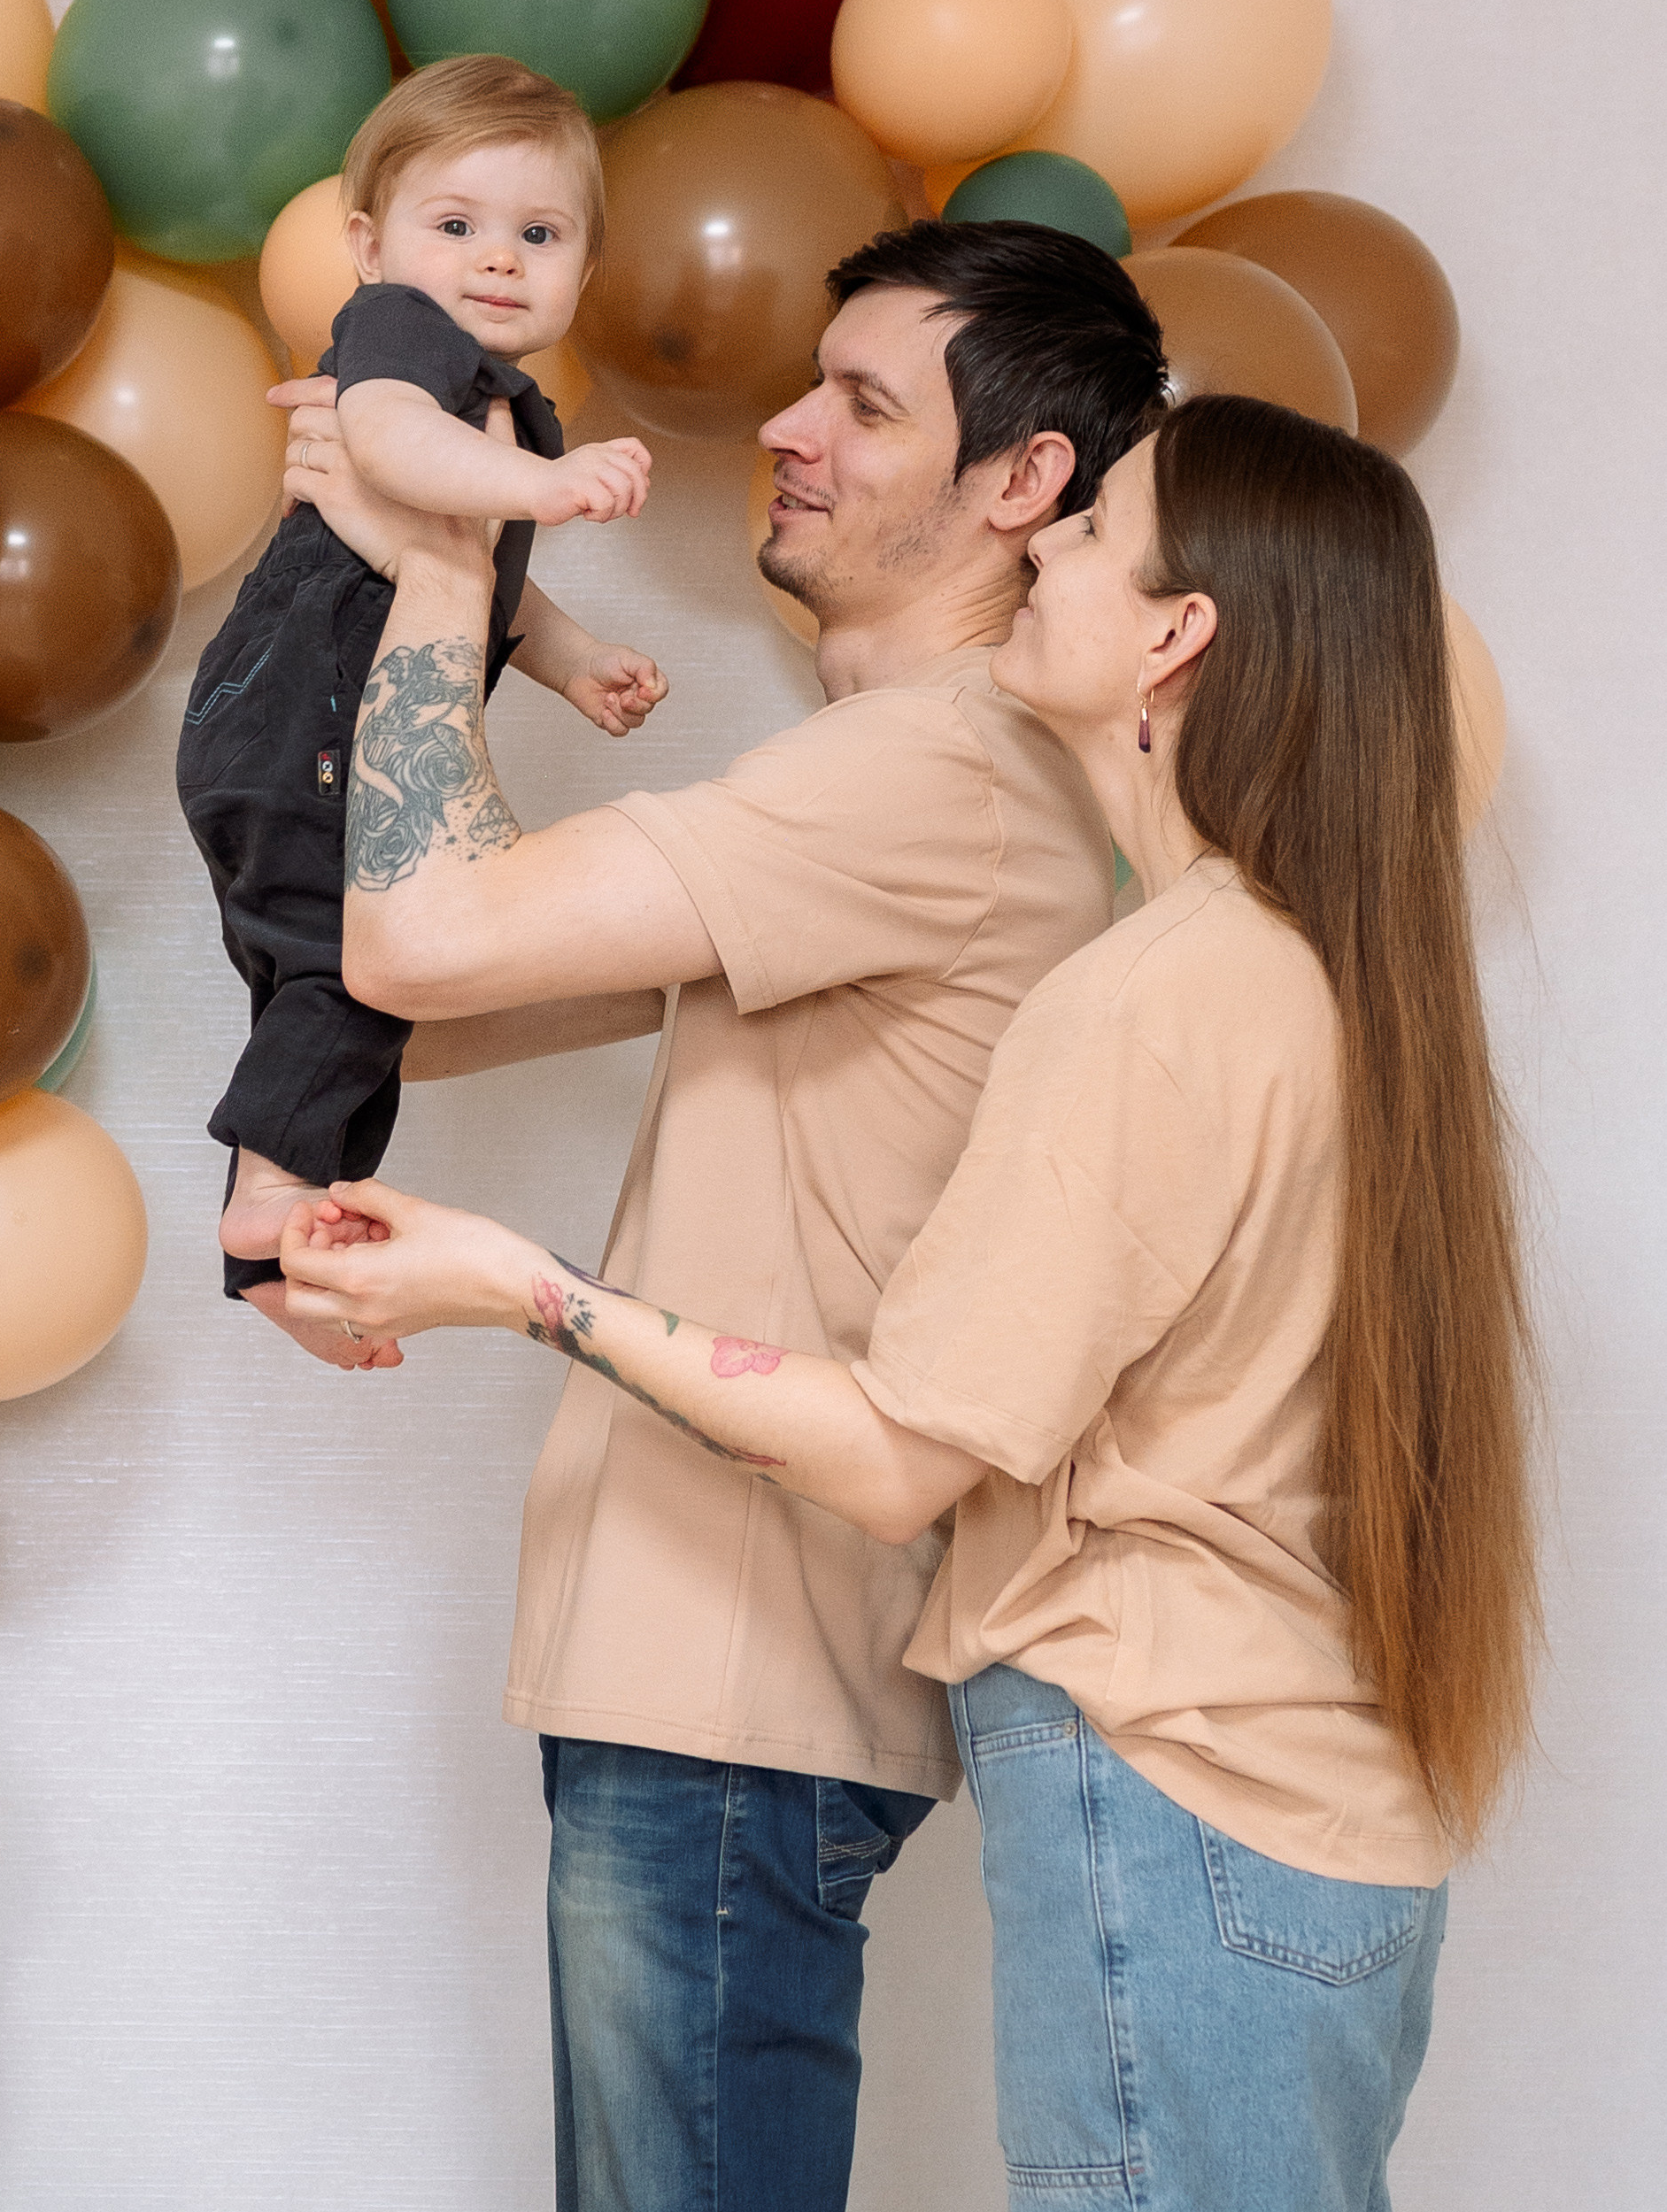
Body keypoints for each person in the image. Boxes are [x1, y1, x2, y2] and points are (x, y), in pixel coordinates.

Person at [280, 393, 1539, 2212]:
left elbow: (895, 1455)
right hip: (1312, 1822)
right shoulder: (1305, 972)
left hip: (1177, 1802)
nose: (1038, 544)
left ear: (1174, 636)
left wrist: (516, 1281)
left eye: (1092, 532)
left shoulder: (1148, 1001)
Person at [272, 220, 1170, 2212]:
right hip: (716, 1674)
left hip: (736, 1678)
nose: (783, 426)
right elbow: (450, 988)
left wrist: (435, 538)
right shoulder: (909, 780)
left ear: (1019, 482)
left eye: (860, 400)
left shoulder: (931, 767)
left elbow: (417, 938)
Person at [175, 55, 666, 1332]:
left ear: (582, 269)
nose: (497, 259)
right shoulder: (406, 336)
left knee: (325, 983)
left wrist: (572, 661)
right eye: (456, 225)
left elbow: (486, 581)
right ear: (371, 243)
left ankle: (277, 1253)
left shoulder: (503, 409)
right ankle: (272, 1191)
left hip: (298, 722)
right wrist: (546, 487)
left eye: (539, 234)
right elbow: (386, 440)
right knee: (357, 968)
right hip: (294, 712)